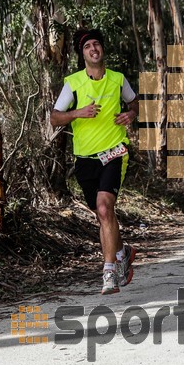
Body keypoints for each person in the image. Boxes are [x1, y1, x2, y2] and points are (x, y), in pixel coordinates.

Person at [50, 29, 139, 295]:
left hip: (114, 152)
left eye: (97, 44)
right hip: (85, 158)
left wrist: (131, 115)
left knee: (103, 208)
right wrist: (79, 113)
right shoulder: (74, 83)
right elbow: (55, 117)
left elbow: (134, 102)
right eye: (88, 46)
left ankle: (109, 272)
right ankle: (122, 251)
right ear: (83, 54)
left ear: (102, 50)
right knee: (103, 216)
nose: (93, 49)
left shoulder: (117, 79)